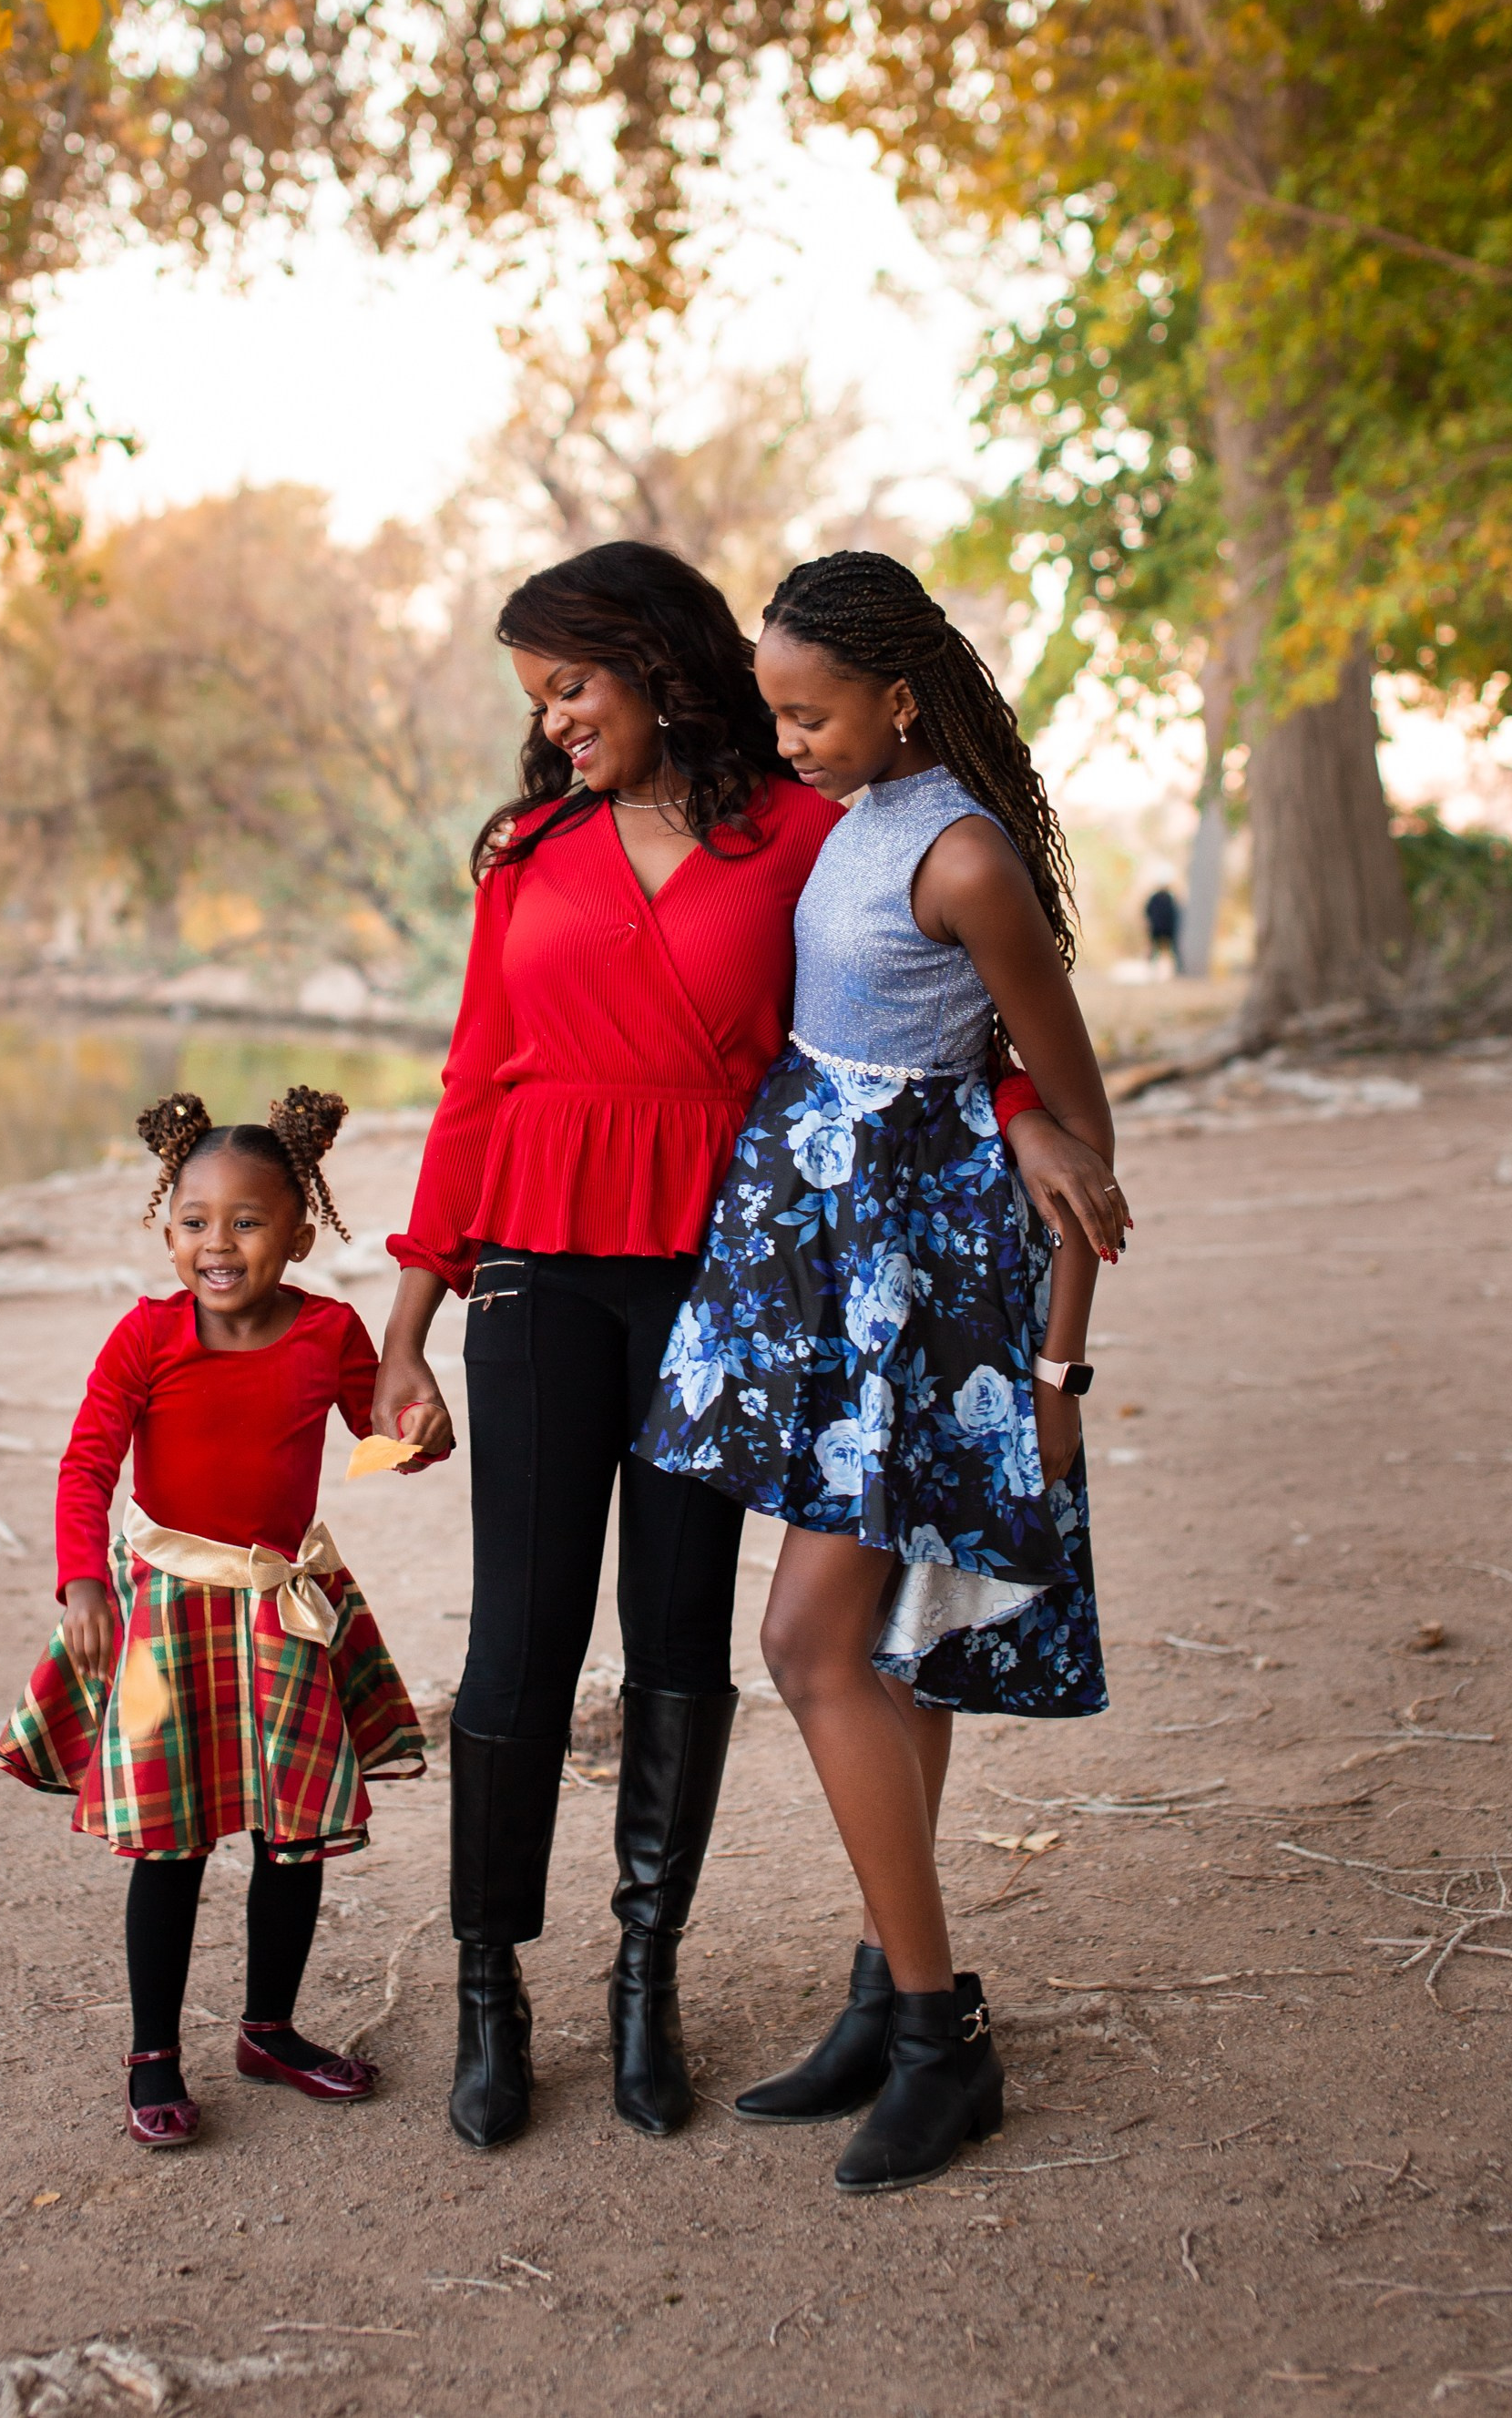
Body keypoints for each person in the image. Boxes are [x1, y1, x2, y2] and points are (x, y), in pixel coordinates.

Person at [373, 538, 1123, 2155]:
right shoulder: (530, 846)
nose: (558, 718)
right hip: (545, 1271)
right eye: (540, 697)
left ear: (654, 661)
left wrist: (1019, 1119)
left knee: (684, 1644)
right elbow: (472, 1080)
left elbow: (923, 1013)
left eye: (574, 682)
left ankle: (650, 1989)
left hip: (731, 1285)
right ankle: (495, 1994)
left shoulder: (804, 830)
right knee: (517, 1647)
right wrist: (409, 1317)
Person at [638, 551, 1118, 2196]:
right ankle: (883, 1985)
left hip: (923, 1306)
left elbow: (1084, 1131)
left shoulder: (969, 857)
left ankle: (938, 2036)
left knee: (809, 1638)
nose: (790, 745)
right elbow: (974, 1071)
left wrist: (1058, 1372)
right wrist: (1003, 1103)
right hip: (833, 1278)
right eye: (777, 713)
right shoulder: (855, 815)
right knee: (893, 1654)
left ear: (899, 695)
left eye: (812, 713)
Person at [0, 1087, 444, 2148]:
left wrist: (418, 1436)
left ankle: (269, 2031)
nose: (219, 1243)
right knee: (172, 1843)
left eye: (247, 1221)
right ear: (166, 1230)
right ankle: (153, 2052)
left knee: (293, 1838)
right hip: (165, 1620)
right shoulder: (145, 1340)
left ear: (298, 1230)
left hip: (283, 1616)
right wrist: (83, 1584)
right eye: (196, 1222)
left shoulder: (328, 1332)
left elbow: (376, 1434)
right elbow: (86, 1465)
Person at [1144, 884, 1182, 970]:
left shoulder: (1166, 899)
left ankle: (1179, 969)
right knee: (1156, 949)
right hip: (1162, 928)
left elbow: (1148, 912)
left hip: (1163, 928)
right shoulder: (1165, 900)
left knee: (1171, 949)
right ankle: (1151, 968)